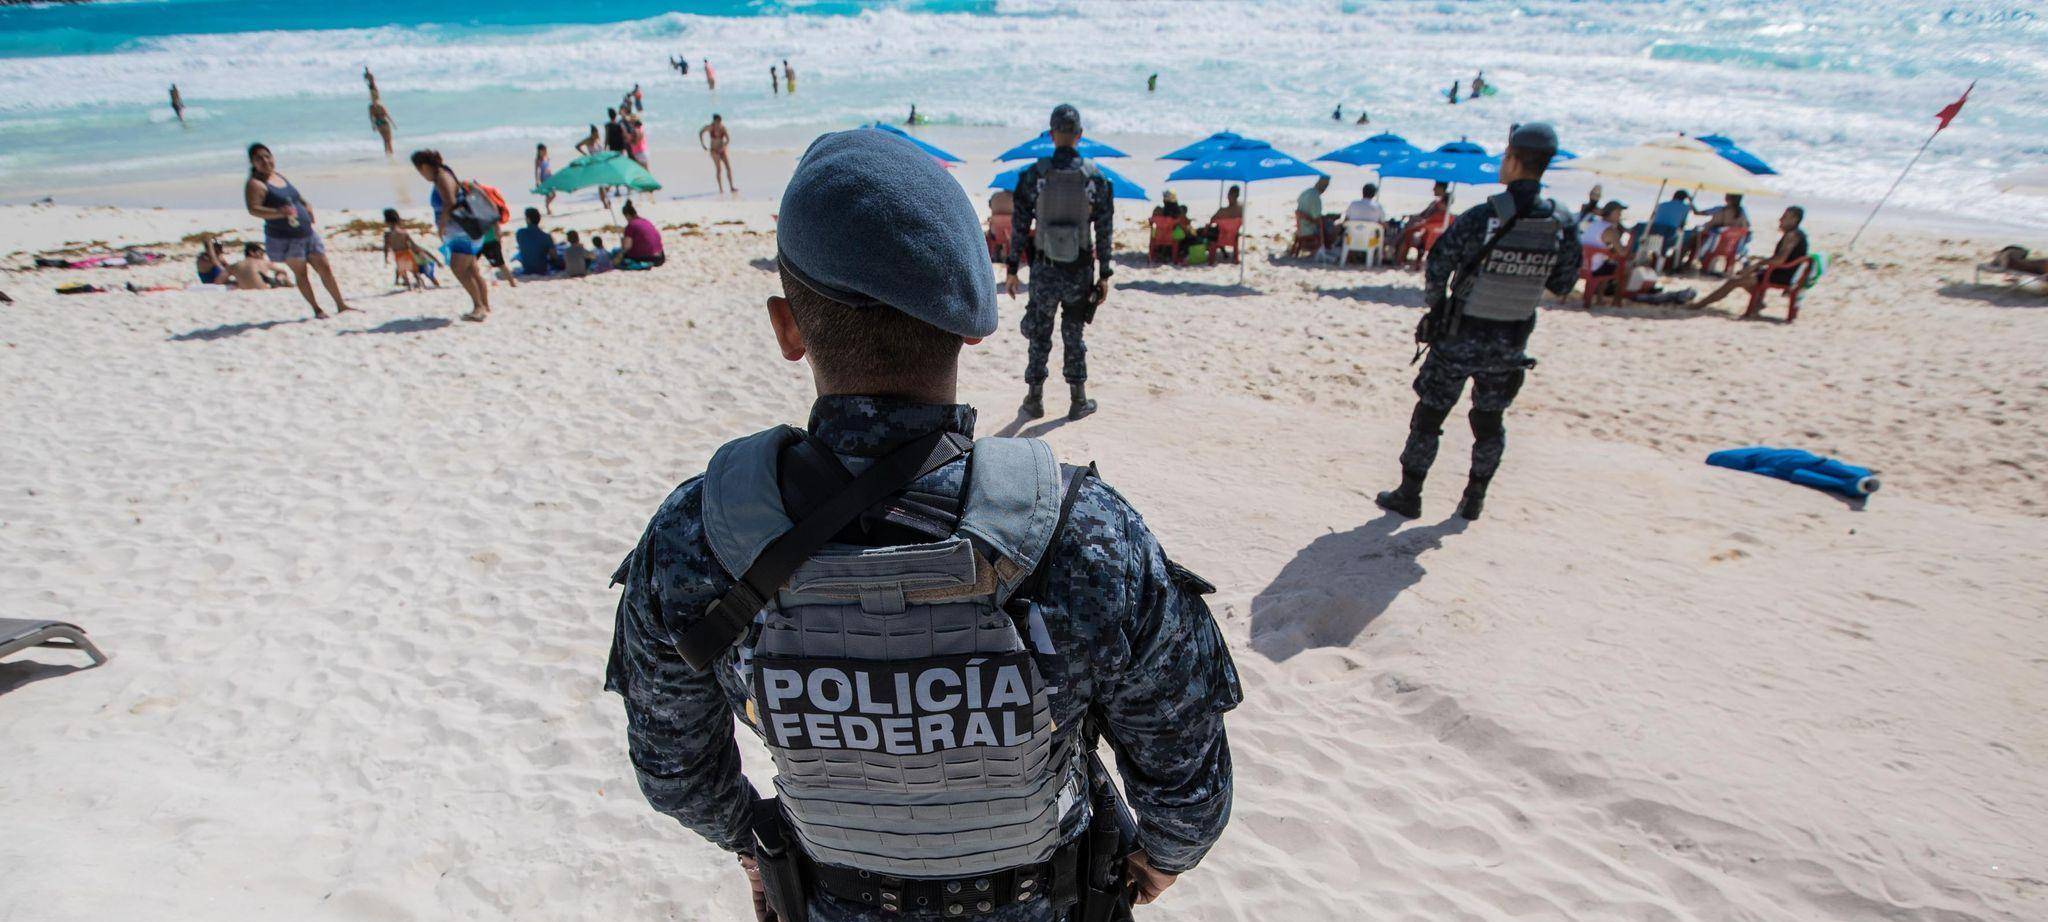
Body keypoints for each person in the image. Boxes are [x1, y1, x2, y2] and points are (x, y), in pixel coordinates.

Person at [604, 127, 1239, 922]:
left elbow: (673, 768)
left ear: (788, 329)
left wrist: (752, 840)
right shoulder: (1085, 536)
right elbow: (1187, 784)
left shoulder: (696, 540)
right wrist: (1157, 864)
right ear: (972, 323)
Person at [1376, 123, 1581, 521]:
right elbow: (1563, 281)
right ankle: (1473, 500)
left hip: (1459, 336)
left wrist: (1437, 310)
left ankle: (1410, 494)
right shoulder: (1561, 224)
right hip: (1510, 340)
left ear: (1515, 160)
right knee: (1488, 422)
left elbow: (1439, 264)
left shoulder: (1483, 217)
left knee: (1429, 418)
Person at [1005, 104, 1114, 421]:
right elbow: (1104, 230)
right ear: (1079, 136)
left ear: (1052, 135)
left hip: (1044, 268)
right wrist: (1105, 273)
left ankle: (1034, 399)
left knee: (1040, 334)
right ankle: (1078, 400)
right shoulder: (1095, 179)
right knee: (1073, 334)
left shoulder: (1033, 175)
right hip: (1079, 269)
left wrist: (1012, 269)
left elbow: (1020, 227)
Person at [242, 143, 354, 318]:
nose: (265, 161)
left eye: (267, 156)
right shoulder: (255, 184)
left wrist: (307, 206)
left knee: (325, 268)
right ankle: (317, 309)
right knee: (302, 273)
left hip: (307, 233)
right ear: (252, 162)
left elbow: (296, 197)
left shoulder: (278, 176)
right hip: (285, 237)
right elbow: (253, 209)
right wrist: (279, 212)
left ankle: (341, 304)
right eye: (259, 158)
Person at [410, 148, 493, 322]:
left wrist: (441, 225)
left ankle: (479, 307)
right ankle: (484, 305)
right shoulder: (445, 173)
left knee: (458, 268)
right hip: (464, 231)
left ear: (424, 166)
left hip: (462, 231)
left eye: (419, 170)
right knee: (472, 270)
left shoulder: (441, 177)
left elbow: (450, 202)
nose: (421, 175)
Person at [1694, 206, 1808, 316]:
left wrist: (1757, 264)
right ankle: (1758, 302)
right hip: (1783, 272)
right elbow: (1785, 259)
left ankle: (1698, 305)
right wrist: (1759, 261)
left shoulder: (1792, 235)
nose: (1780, 219)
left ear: (1794, 219)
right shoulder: (1796, 234)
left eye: (1785, 217)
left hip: (1781, 275)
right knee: (1742, 275)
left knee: (1734, 282)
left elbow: (1780, 260)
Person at [1680, 193, 1749, 272]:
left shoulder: (1720, 210)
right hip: (1731, 246)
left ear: (1727, 198)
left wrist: (1691, 202)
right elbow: (1746, 228)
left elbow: (1697, 213)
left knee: (1692, 240)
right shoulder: (1742, 213)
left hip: (1713, 243)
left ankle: (1685, 263)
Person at [1390, 181, 1453, 265]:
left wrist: (1414, 224)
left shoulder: (1439, 210)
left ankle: (1398, 259)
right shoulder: (1439, 207)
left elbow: (1426, 219)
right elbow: (1423, 215)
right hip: (1425, 229)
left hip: (1426, 232)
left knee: (1406, 233)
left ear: (1441, 189)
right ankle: (1399, 257)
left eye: (1435, 187)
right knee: (1406, 231)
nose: (1433, 189)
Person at [382, 208, 427, 289]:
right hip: (407, 252)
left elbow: (386, 247)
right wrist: (419, 252)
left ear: (386, 221)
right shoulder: (403, 232)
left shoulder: (387, 234)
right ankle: (420, 283)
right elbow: (412, 244)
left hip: (398, 254)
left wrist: (385, 258)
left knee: (403, 271)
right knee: (414, 271)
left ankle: (408, 285)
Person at [1644, 190, 1691, 261]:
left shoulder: (1661, 204)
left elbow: (1652, 218)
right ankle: (1666, 259)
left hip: (1653, 232)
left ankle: (1657, 257)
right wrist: (1691, 200)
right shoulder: (1685, 207)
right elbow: (1682, 224)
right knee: (1682, 238)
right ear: (1684, 199)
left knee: (1662, 237)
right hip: (1667, 235)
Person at [225, 242, 292, 290]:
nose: (262, 255)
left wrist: (235, 282)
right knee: (281, 274)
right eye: (261, 252)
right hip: (264, 289)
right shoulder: (263, 262)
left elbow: (218, 281)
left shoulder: (234, 265)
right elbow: (283, 271)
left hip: (243, 288)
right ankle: (292, 287)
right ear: (252, 252)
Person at [619, 201, 666, 269]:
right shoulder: (646, 221)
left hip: (648, 257)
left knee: (623, 256)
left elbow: (627, 247)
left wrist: (623, 246)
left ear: (627, 215)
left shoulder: (631, 226)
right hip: (660, 257)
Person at [514, 207, 559, 277]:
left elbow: (521, 245)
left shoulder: (520, 233)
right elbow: (554, 256)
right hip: (541, 269)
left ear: (528, 220)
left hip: (527, 268)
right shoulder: (546, 236)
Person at [1295, 175, 1335, 255]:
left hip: (1301, 227)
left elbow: (1302, 210)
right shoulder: (1315, 197)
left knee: (1327, 222)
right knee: (1333, 227)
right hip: (1309, 229)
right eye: (1326, 186)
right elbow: (1317, 219)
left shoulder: (1306, 192)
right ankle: (1328, 248)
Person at [699, 113, 736, 194]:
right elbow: (701, 132)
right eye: (718, 121)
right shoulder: (710, 127)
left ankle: (731, 187)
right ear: (714, 121)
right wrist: (703, 145)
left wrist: (724, 147)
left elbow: (728, 140)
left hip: (722, 150)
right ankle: (721, 189)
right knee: (719, 169)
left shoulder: (723, 128)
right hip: (714, 151)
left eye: (720, 121)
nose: (719, 123)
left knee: (728, 168)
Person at [534, 143, 556, 215]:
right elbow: (536, 171)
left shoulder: (547, 157)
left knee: (553, 194)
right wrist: (537, 181)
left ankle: (547, 206)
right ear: (539, 151)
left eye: (545, 150)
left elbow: (548, 167)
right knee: (549, 194)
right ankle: (547, 208)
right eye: (543, 151)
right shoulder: (537, 160)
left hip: (550, 177)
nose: (545, 152)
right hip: (544, 178)